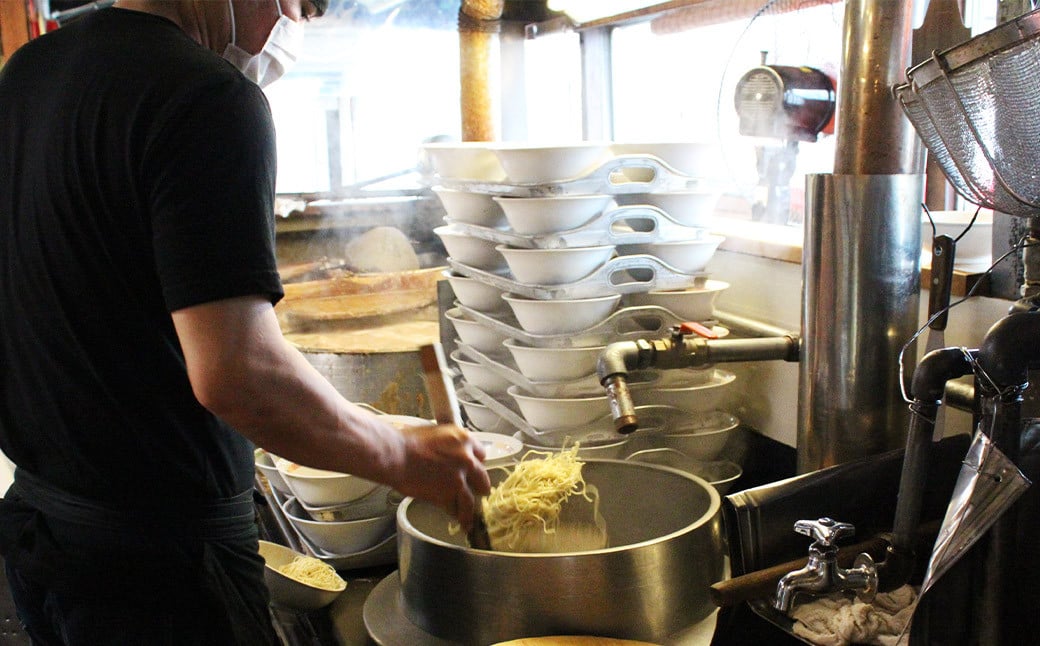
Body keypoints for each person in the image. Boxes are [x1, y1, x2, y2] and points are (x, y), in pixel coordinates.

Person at [0, 1, 490, 643]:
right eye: (298, 3)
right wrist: (401, 454)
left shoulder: (29, 72)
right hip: (162, 573)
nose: (294, 25)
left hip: (46, 540)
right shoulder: (205, 95)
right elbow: (238, 373)